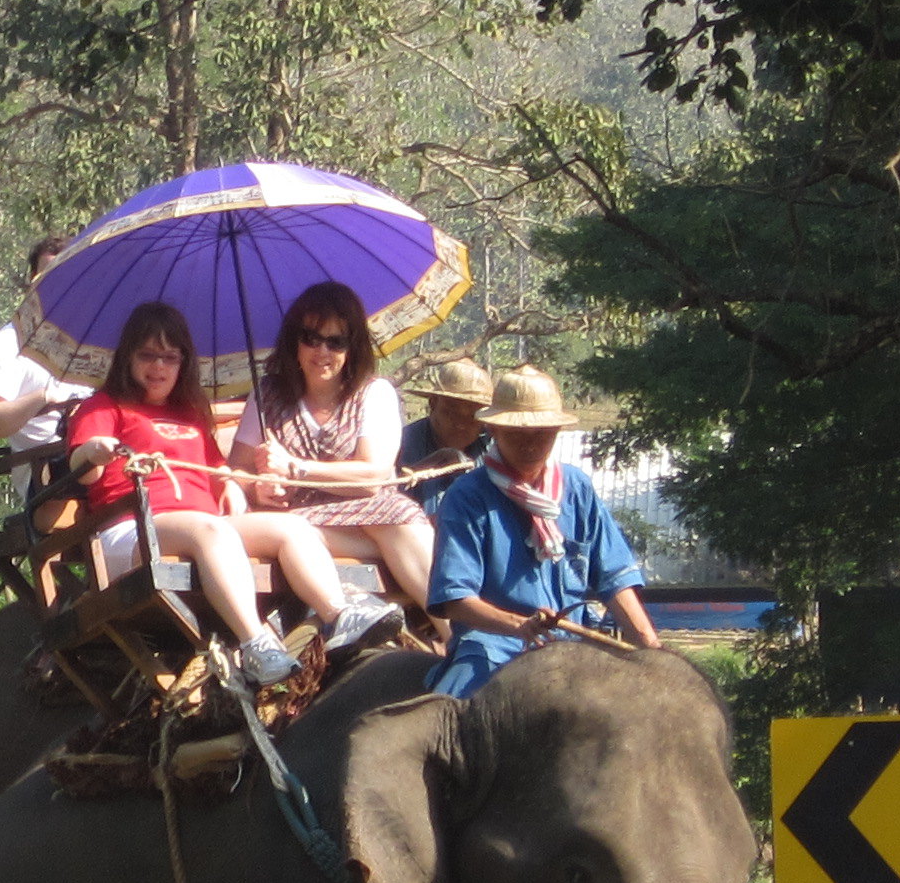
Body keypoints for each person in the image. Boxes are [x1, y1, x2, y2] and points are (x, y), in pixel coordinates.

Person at [61, 299, 394, 687]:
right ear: (128, 358)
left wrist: (235, 483)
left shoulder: (190, 412)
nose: (159, 367)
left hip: (204, 529)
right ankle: (255, 643)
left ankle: (340, 614)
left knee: (292, 528)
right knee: (211, 530)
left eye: (170, 357)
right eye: (148, 355)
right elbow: (81, 471)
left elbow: (218, 468)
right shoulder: (104, 406)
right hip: (132, 532)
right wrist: (94, 451)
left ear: (184, 362)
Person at [424, 366, 661, 694]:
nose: (531, 442)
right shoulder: (467, 495)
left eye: (542, 432)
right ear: (492, 428)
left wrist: (652, 651)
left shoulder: (577, 488)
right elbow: (455, 599)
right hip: (492, 649)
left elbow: (616, 579)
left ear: (557, 430)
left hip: (572, 649)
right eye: (518, 432)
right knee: (448, 719)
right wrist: (520, 627)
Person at [229, 280, 439, 604]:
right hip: (290, 525)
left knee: (396, 512)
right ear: (294, 342)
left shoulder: (373, 393)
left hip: (364, 522)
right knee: (395, 520)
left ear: (352, 347)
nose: (322, 352)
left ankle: (455, 631)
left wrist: (295, 469)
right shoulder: (267, 395)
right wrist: (258, 486)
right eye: (311, 338)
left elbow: (373, 478)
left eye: (335, 342)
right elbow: (238, 470)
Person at [0, 233, 92, 455]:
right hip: (51, 477)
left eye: (68, 274)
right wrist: (42, 397)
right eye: (49, 275)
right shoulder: (8, 344)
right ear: (33, 281)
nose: (59, 284)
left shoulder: (104, 339)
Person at [397, 352, 494, 508]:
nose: (461, 424)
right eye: (452, 412)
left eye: (472, 416)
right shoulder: (401, 444)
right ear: (433, 404)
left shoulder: (493, 448)